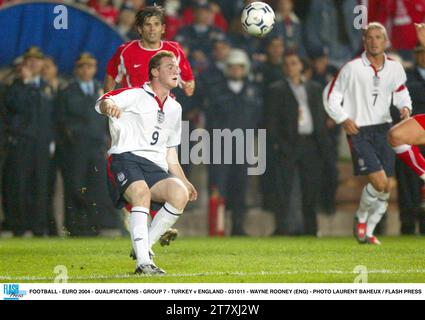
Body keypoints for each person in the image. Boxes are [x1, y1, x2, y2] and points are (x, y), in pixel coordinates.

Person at [96, 51, 197, 274]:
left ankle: (143, 247)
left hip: (154, 166)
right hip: (125, 157)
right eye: (169, 66)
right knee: (141, 194)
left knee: (179, 193)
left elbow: (170, 153)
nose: (176, 70)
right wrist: (108, 106)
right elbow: (104, 100)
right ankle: (143, 263)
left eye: (177, 67)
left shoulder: (175, 107)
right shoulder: (135, 94)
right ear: (154, 72)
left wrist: (185, 181)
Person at [325, 23, 412, 245]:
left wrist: (405, 108)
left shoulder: (395, 68)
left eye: (378, 37)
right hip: (360, 131)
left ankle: (368, 231)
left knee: (385, 188)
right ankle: (361, 217)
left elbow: (401, 93)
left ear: (385, 41)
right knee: (380, 181)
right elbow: (331, 96)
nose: (374, 41)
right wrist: (343, 118)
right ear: (364, 41)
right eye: (369, 38)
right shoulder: (351, 68)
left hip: (385, 129)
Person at [200, 49, 262, 236]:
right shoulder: (216, 90)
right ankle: (216, 227)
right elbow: (209, 118)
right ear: (227, 68)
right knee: (218, 187)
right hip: (220, 146)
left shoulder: (254, 91)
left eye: (239, 67)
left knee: (240, 187)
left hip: (244, 146)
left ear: (246, 69)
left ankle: (238, 227)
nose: (236, 71)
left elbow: (258, 119)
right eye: (232, 67)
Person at [266, 53, 329, 235]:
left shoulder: (314, 88)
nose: (290, 67)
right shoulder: (276, 89)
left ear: (301, 66)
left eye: (294, 63)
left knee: (311, 188)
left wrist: (322, 143)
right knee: (284, 188)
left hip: (310, 143)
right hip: (288, 143)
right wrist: (278, 144)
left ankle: (311, 229)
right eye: (286, 64)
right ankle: (282, 228)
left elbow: (319, 117)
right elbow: (271, 120)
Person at [57, 53, 118, 236]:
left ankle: (95, 226)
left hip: (97, 147)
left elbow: (109, 120)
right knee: (75, 186)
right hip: (75, 148)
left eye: (90, 66)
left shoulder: (101, 91)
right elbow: (60, 119)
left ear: (94, 68)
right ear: (77, 69)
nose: (86, 70)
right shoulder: (67, 91)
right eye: (82, 66)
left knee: (97, 186)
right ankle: (75, 227)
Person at [104, 5, 195, 96]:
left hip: (163, 108)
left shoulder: (175, 50)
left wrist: (189, 87)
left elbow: (188, 79)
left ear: (163, 28)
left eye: (156, 24)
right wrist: (108, 100)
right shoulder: (125, 50)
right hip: (133, 108)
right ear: (139, 29)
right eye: (148, 24)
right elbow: (111, 76)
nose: (152, 29)